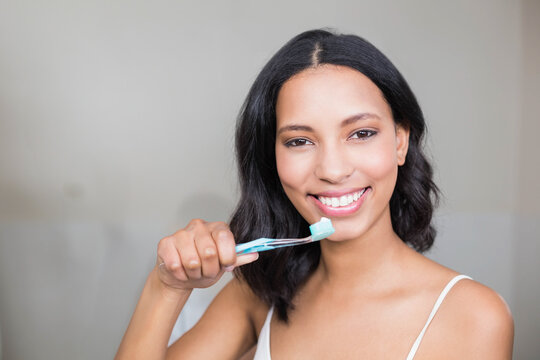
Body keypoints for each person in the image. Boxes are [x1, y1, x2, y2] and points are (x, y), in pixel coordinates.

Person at [115, 29, 514, 359]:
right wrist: (167, 286)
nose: (333, 170)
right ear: (272, 157)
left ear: (400, 140)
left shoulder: (472, 315)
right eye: (300, 141)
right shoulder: (257, 296)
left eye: (361, 133)